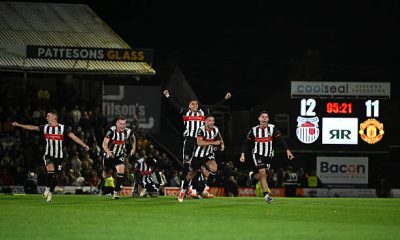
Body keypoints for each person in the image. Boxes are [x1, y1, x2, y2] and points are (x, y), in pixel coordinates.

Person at [12, 109, 89, 202]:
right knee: (50, 171)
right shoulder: (45, 127)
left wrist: (83, 144)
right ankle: (47, 189)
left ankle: (50, 193)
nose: (46, 117)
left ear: (54, 117)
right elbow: (33, 127)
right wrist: (19, 125)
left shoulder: (62, 128)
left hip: (59, 156)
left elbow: (74, 137)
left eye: (48, 116)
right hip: (48, 154)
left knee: (56, 177)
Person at [162, 89, 231, 191]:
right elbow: (175, 106)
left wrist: (224, 99)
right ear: (189, 106)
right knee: (186, 162)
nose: (195, 105)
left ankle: (195, 188)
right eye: (192, 104)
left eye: (196, 104)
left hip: (199, 142)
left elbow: (214, 107)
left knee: (197, 164)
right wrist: (168, 96)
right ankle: (183, 186)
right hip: (189, 141)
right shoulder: (185, 112)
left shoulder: (202, 112)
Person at [240, 111, 294, 204]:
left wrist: (287, 150)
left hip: (269, 155)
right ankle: (266, 195)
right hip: (258, 154)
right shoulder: (254, 130)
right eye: (263, 117)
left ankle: (252, 176)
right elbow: (246, 142)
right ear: (259, 119)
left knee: (262, 175)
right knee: (262, 172)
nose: (265, 118)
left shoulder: (272, 128)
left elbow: (281, 139)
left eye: (266, 117)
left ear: (268, 119)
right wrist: (242, 154)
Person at [177, 115, 224, 202]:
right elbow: (199, 143)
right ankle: (183, 191)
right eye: (210, 120)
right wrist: (214, 142)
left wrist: (222, 144)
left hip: (208, 154)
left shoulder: (215, 129)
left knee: (214, 168)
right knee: (191, 175)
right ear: (205, 122)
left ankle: (206, 189)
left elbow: (219, 136)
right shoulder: (201, 130)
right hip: (198, 156)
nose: (212, 122)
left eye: (213, 120)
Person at [102, 116, 136, 199]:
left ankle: (115, 192)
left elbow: (133, 137)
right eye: (120, 124)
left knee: (121, 171)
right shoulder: (111, 131)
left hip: (120, 155)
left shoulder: (128, 131)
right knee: (105, 175)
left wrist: (134, 147)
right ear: (116, 123)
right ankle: (106, 178)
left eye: (124, 124)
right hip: (109, 154)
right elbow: (104, 144)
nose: (122, 126)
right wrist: (108, 151)